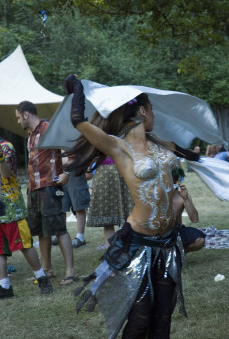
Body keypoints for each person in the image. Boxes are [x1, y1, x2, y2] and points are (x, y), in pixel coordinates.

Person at [63, 74, 200, 339]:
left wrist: (218, 165)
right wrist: (77, 89)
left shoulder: (161, 144)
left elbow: (191, 155)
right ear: (142, 110)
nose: (155, 117)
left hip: (169, 244)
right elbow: (78, 121)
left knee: (162, 316)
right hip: (140, 247)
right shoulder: (119, 147)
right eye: (152, 111)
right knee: (139, 319)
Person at [15, 101, 77, 285]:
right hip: (34, 188)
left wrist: (67, 173)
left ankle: (70, 272)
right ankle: (47, 270)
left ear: (26, 115)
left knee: (59, 228)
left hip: (50, 186)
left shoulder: (49, 127)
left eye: (18, 117)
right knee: (42, 231)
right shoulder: (30, 134)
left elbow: (70, 148)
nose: (18, 122)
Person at [0, 137, 53, 298]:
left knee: (24, 245)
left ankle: (42, 277)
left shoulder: (6, 147)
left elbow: (6, 174)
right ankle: (4, 286)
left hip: (11, 208)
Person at [87, 157, 134, 249]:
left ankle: (127, 251)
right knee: (108, 219)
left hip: (122, 169)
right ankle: (111, 253)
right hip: (107, 172)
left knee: (129, 216)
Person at [172, 166, 205, 253]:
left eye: (176, 180)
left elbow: (194, 219)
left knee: (200, 240)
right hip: (157, 234)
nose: (176, 183)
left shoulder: (181, 196)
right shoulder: (155, 195)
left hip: (176, 231)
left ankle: (177, 253)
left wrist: (186, 199)